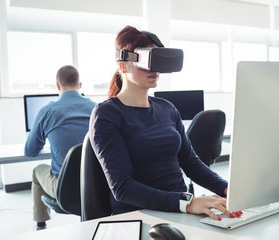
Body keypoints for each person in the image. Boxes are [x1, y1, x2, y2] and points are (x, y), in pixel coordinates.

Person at [89, 25, 241, 220]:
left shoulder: (167, 108)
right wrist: (187, 203)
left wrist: (227, 189)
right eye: (147, 59)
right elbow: (122, 187)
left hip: (180, 210)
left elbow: (191, 162)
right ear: (123, 65)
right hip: (139, 215)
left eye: (158, 59)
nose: (155, 69)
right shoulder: (106, 114)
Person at [25, 65, 96, 230]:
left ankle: (41, 225)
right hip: (95, 184)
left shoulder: (47, 111)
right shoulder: (96, 108)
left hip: (64, 189)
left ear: (58, 85)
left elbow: (30, 152)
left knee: (37, 170)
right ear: (80, 85)